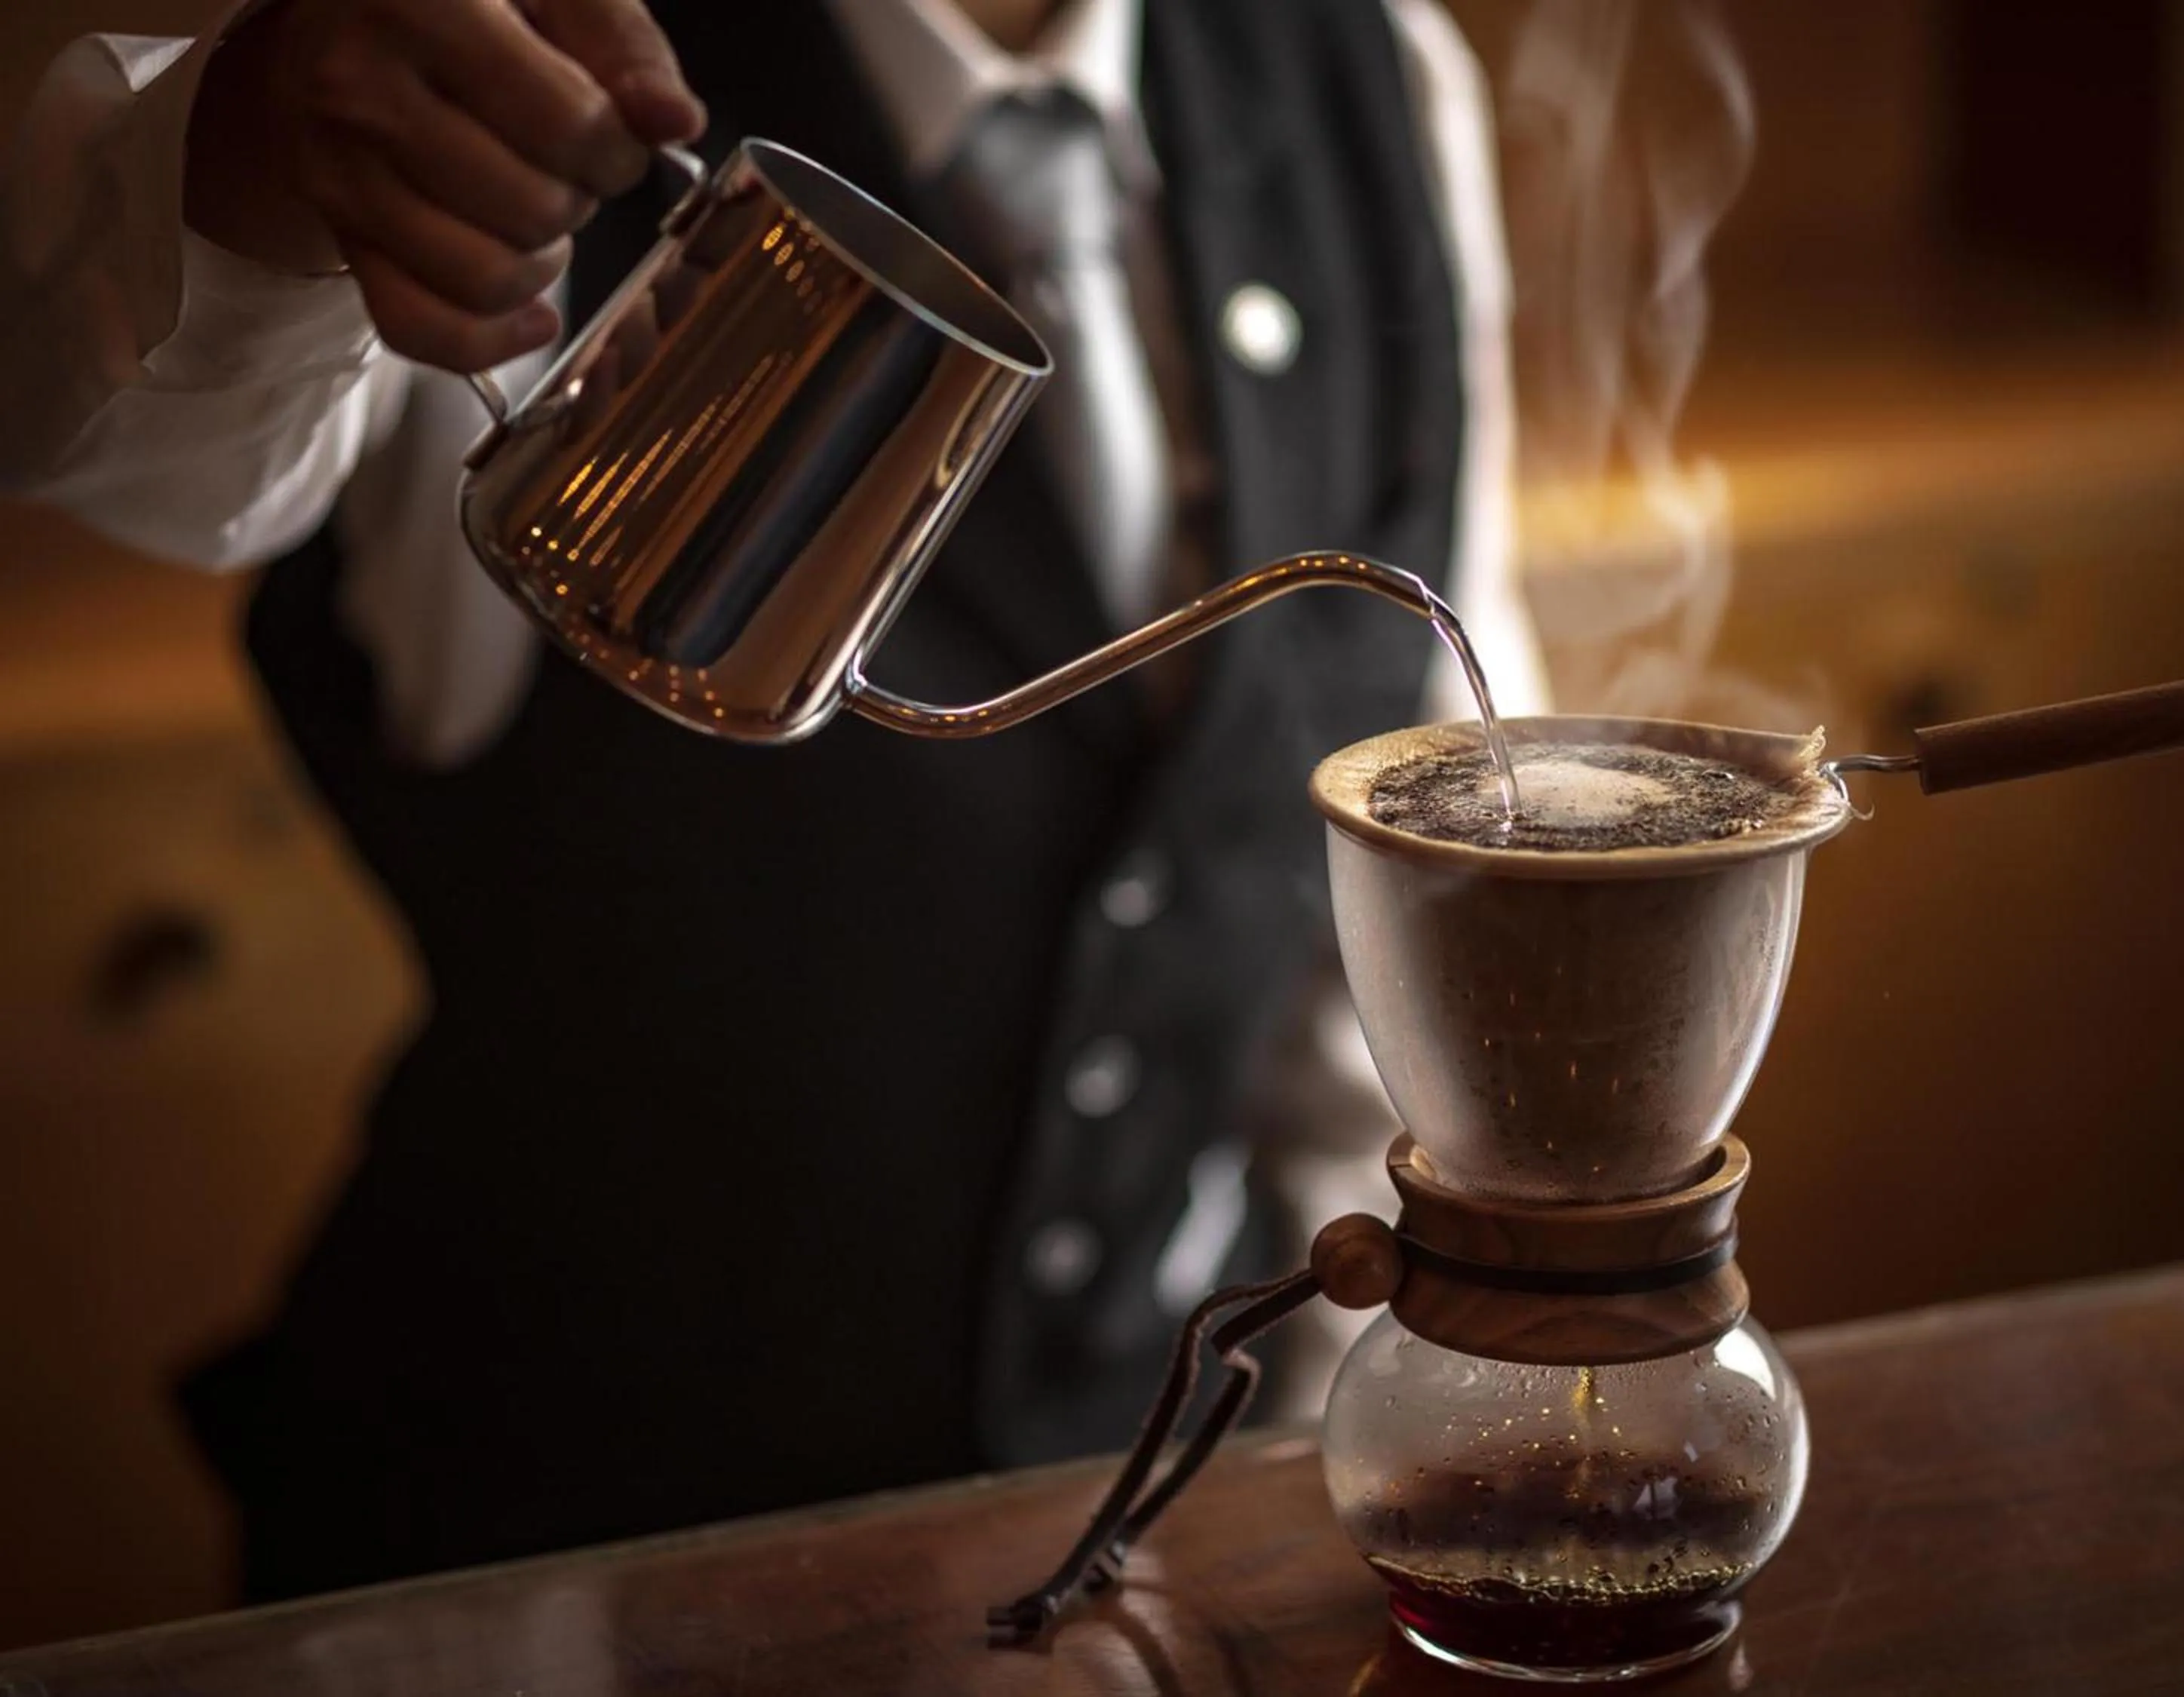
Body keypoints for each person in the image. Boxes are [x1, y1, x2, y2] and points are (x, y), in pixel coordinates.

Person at [1, 0, 1549, 1601]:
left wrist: (1363, 1462)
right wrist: (250, 163)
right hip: (548, 1573)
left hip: (1131, 1535)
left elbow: (1399, 938)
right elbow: (113, 430)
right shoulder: (503, 54)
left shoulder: (1371, 72)